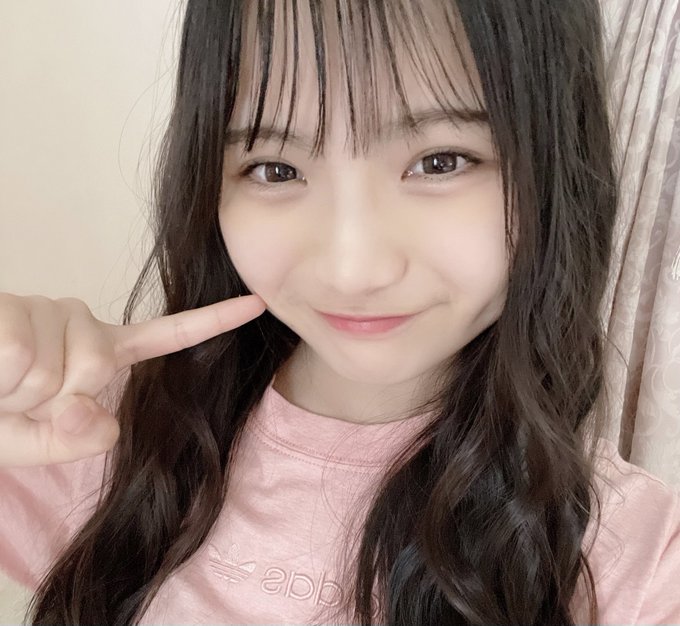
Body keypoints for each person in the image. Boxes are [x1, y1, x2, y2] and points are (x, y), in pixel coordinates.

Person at [0, 0, 679, 624]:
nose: (352, 270)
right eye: (275, 169)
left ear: (557, 166)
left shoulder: (637, 562)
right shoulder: (88, 433)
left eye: (441, 161)